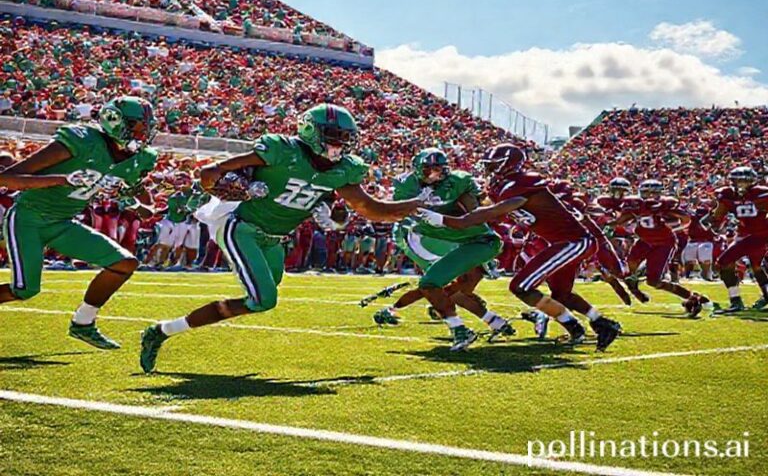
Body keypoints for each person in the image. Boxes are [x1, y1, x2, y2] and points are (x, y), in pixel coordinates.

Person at [139, 104, 433, 372]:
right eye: (334, 136)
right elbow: (211, 173)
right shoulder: (281, 150)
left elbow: (371, 208)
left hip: (274, 238)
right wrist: (237, 186)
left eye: (345, 138)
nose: (340, 144)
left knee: (261, 296)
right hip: (240, 227)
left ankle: (162, 330)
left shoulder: (344, 169)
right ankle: (163, 331)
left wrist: (408, 206)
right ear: (312, 132)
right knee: (263, 299)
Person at [418, 144, 622, 352]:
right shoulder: (503, 187)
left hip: (573, 242)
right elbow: (484, 209)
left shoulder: (522, 182)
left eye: (493, 165)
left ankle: (584, 326)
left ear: (507, 164)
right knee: (561, 294)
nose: (488, 170)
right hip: (563, 243)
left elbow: (489, 212)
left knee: (521, 287)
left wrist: (445, 220)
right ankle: (596, 325)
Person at [0, 96, 158, 349]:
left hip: (64, 222)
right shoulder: (82, 141)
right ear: (115, 121)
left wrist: (132, 201)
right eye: (139, 125)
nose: (144, 133)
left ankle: (83, 323)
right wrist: (63, 179)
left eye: (147, 127)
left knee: (124, 263)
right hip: (29, 218)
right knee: (25, 290)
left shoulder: (139, 157)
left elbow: (146, 207)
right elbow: (8, 178)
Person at [373, 148, 514, 344]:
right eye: (429, 169)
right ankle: (472, 324)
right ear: (417, 170)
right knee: (435, 283)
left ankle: (491, 321)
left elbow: (477, 209)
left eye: (439, 169)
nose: (435, 174)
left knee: (454, 282)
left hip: (449, 233)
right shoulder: (406, 184)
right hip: (417, 235)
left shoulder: (459, 181)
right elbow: (402, 212)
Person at [608, 180, 711, 317]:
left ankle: (692, 297)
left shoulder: (665, 204)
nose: (649, 196)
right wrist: (608, 223)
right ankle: (635, 288)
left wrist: (673, 226)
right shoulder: (636, 204)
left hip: (663, 243)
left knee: (654, 281)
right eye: (646, 192)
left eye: (652, 193)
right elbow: (622, 220)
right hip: (644, 241)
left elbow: (685, 219)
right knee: (629, 268)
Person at [707, 167, 768, 312]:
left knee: (725, 261)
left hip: (760, 234)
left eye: (744, 180)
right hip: (743, 234)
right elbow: (719, 214)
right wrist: (712, 221)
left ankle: (736, 301)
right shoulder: (727, 194)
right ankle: (742, 300)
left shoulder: (761, 193)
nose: (741, 184)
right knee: (756, 267)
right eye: (737, 180)